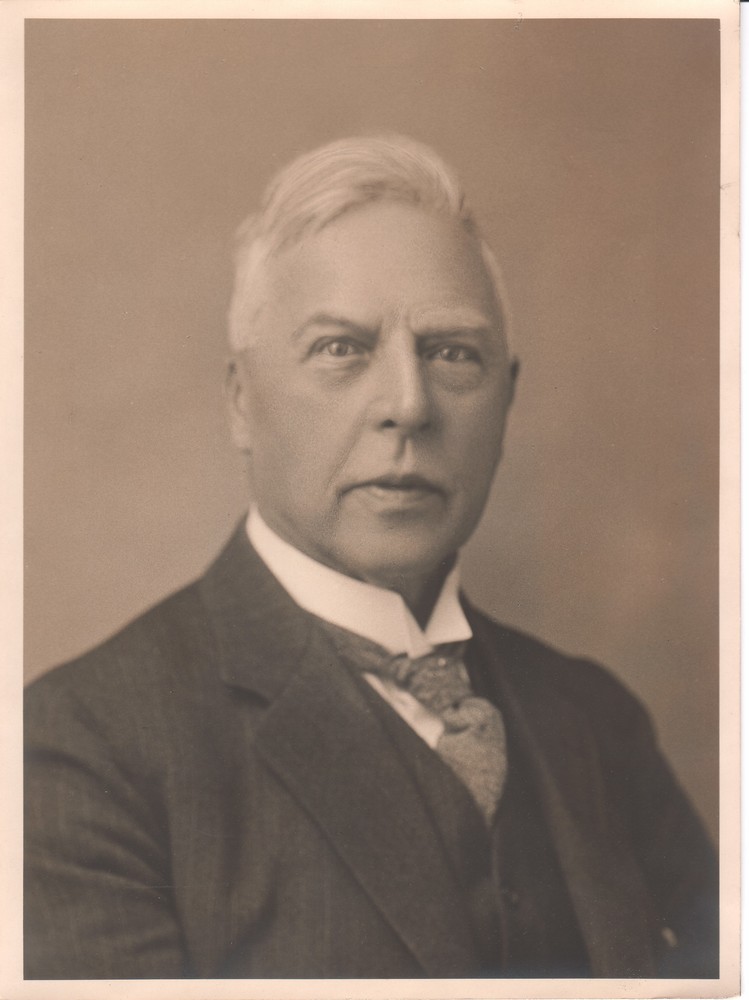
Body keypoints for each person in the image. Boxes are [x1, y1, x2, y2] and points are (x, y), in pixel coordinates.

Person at [24, 135, 718, 980]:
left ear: (506, 399)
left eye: (451, 352)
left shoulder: (595, 720)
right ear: (241, 402)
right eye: (341, 349)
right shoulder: (83, 748)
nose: (408, 404)